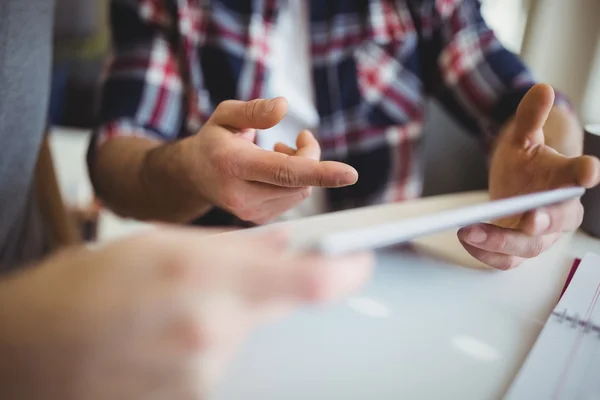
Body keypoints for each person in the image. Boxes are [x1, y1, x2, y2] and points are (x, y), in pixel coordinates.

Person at [0, 0, 374, 398]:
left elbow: (20, 130)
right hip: (208, 338)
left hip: (372, 310)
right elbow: (117, 149)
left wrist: (61, 254)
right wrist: (193, 169)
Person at [90, 0, 600, 270]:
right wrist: (193, 172)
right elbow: (118, 155)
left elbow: (522, 102)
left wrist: (548, 162)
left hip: (383, 282)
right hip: (217, 291)